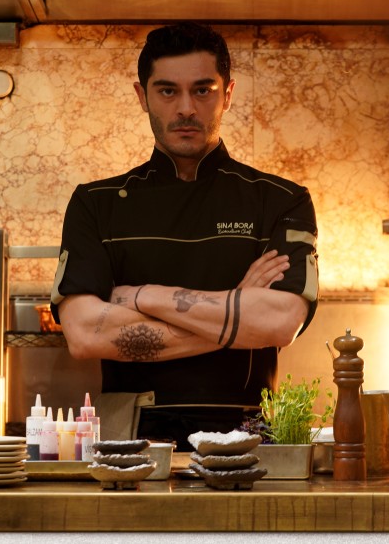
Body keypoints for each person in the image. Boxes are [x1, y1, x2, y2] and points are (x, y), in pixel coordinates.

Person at [50, 23, 319, 447]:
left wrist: (144, 297)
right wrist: (238, 309)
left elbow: (280, 322)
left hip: (249, 442)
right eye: (167, 91)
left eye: (203, 90)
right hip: (129, 444)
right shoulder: (96, 203)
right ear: (142, 96)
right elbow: (85, 335)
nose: (186, 108)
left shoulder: (281, 200)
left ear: (227, 94)